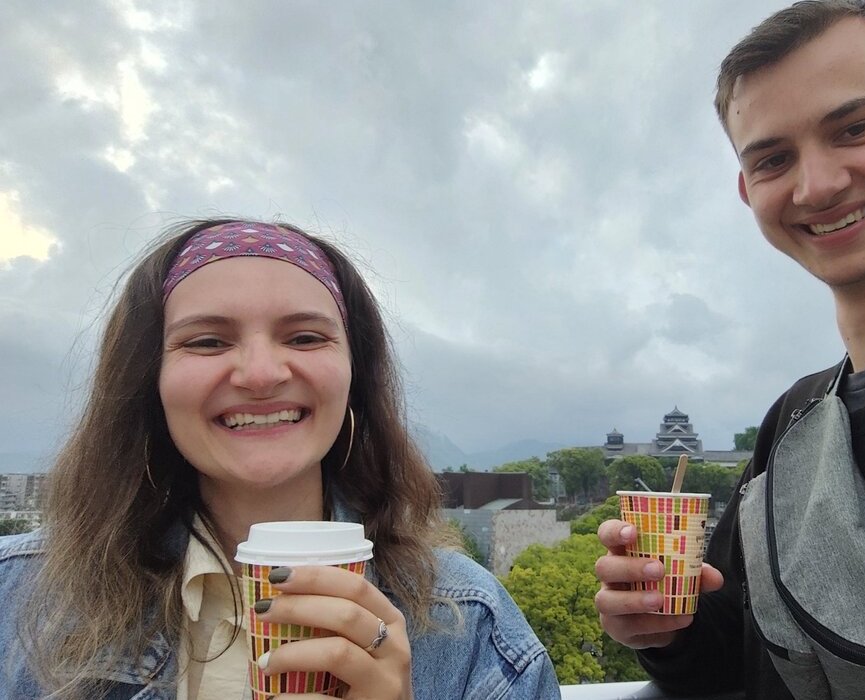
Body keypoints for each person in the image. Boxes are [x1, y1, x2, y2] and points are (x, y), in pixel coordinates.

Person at [594, 1, 865, 698]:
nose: (818, 185)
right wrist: (663, 626)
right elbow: (745, 663)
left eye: (854, 128)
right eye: (774, 159)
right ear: (749, 191)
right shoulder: (792, 423)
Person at [0, 219, 561, 699]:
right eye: (207, 341)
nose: (262, 374)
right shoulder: (17, 596)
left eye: (305, 337)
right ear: (149, 381)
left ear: (355, 378)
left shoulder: (470, 624)